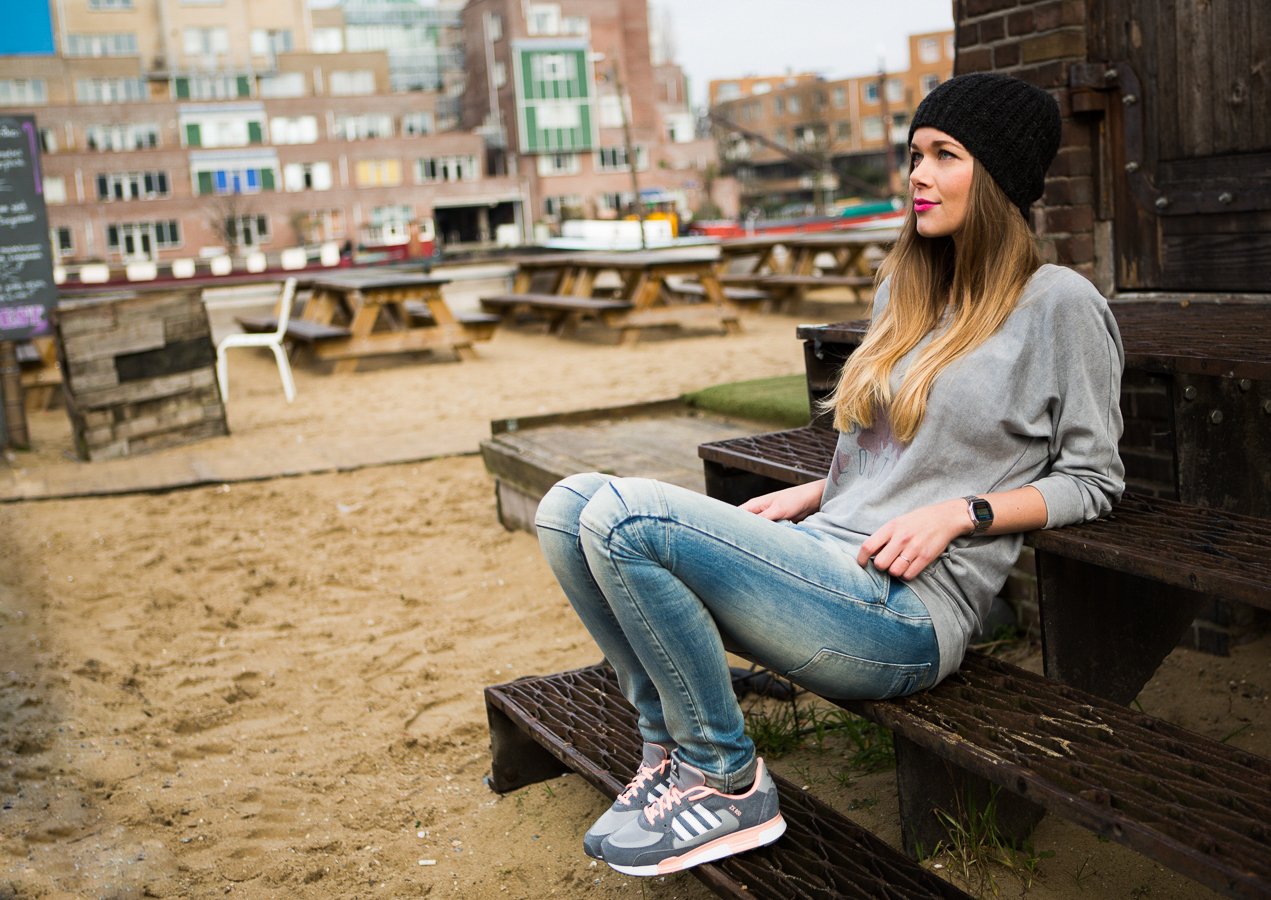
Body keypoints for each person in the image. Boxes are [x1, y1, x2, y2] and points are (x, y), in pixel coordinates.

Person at [534, 72, 1125, 877]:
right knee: (568, 507)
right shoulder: (904, 288)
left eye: (943, 155)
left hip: (904, 612)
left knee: (627, 519)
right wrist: (826, 488)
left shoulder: (1060, 304)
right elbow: (901, 441)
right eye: (913, 153)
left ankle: (727, 778)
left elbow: (1093, 480)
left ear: (997, 178)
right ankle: (668, 754)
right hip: (824, 558)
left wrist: (963, 513)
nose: (915, 174)